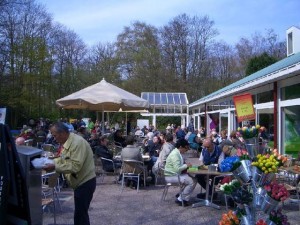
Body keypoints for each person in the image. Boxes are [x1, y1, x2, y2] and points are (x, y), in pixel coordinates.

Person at [43, 122, 96, 225]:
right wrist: (51, 162)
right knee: (80, 214)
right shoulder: (68, 141)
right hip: (80, 183)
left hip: (85, 182)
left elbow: (75, 166)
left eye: (54, 135)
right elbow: (64, 159)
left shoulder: (77, 143)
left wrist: (54, 166)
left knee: (81, 215)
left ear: (62, 133)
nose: (54, 138)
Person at [164, 138, 197, 207]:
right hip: (171, 176)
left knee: (194, 179)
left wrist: (187, 165)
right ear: (181, 147)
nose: (187, 150)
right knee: (191, 181)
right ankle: (181, 199)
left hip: (173, 174)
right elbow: (177, 169)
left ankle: (182, 196)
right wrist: (186, 165)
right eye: (186, 148)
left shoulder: (177, 153)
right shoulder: (175, 154)